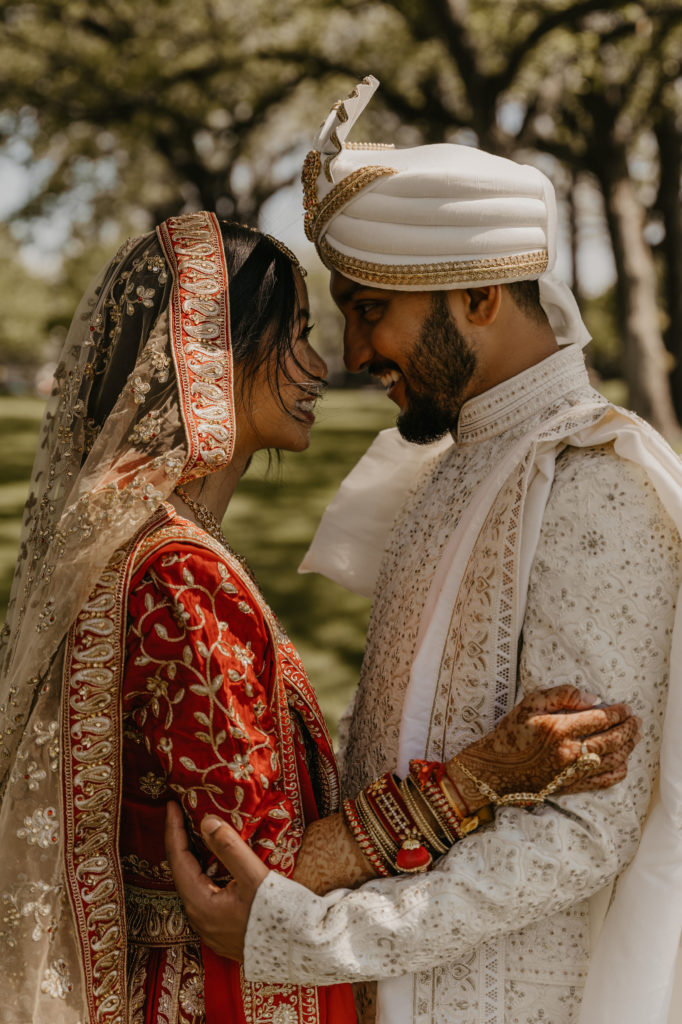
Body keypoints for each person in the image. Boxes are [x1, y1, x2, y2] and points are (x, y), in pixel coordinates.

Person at [0, 212, 634, 1024]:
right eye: (295, 333)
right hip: (224, 993)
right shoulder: (182, 576)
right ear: (209, 355)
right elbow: (260, 868)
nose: (322, 364)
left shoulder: (141, 546)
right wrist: (480, 777)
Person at [165, 78, 682, 1024]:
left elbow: (581, 829)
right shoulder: (459, 456)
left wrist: (313, 935)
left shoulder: (592, 480)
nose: (356, 353)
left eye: (370, 311)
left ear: (480, 297)